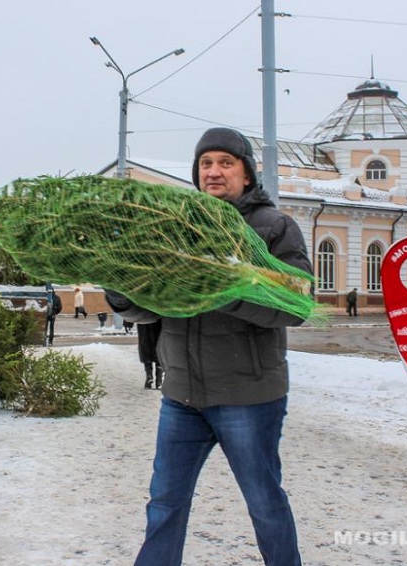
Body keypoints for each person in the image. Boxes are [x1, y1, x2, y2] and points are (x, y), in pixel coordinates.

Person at [105, 127, 311, 565]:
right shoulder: (178, 230)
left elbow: (295, 305)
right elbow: (151, 309)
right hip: (181, 396)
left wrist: (222, 288)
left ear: (247, 175)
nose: (214, 172)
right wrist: (121, 290)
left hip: (248, 397)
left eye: (225, 163)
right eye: (205, 164)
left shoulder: (273, 228)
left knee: (264, 503)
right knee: (164, 503)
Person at [137, 321, 163, 390]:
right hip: (158, 321)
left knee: (146, 349)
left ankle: (149, 376)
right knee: (159, 351)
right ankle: (159, 381)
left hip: (144, 322)